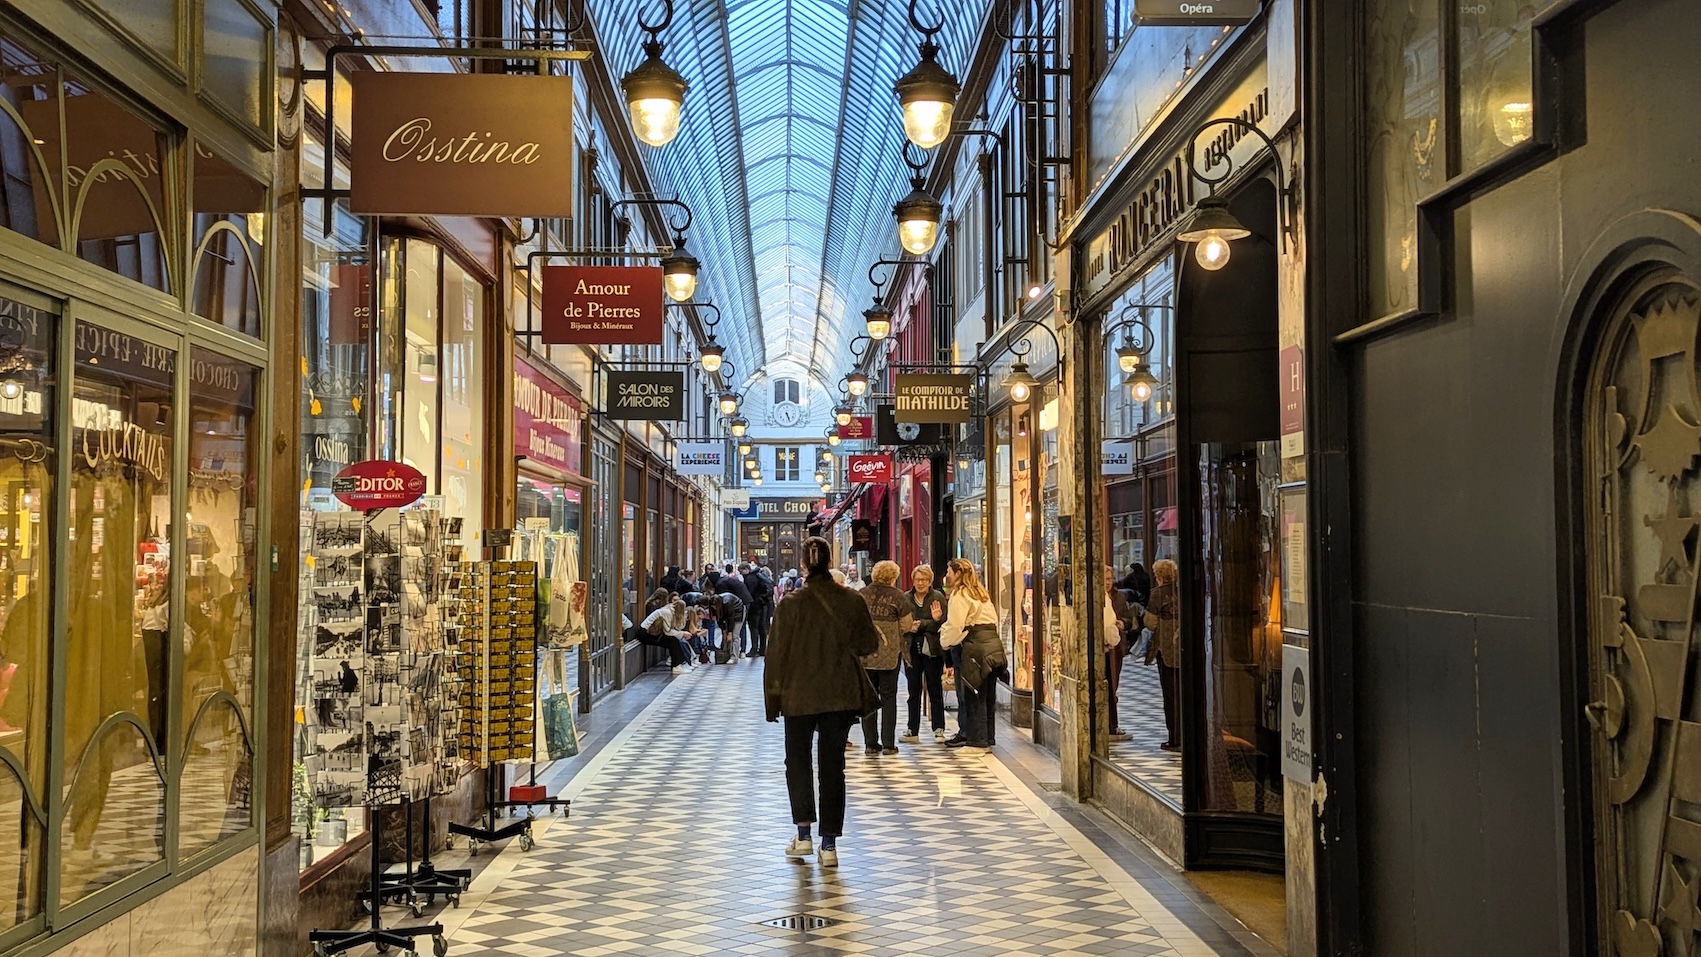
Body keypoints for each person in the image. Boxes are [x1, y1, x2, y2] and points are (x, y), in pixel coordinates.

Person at [764, 536, 880, 868]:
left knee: (797, 762)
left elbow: (776, 656)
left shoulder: (790, 604)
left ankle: (803, 835)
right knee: (833, 767)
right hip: (839, 694)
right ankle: (829, 845)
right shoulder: (851, 599)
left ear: (803, 564)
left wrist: (773, 700)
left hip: (798, 695)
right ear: (831, 561)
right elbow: (868, 644)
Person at [939, 558, 1002, 752]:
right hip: (992, 646)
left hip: (975, 647)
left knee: (973, 695)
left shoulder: (961, 594)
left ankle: (976, 742)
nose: (946, 576)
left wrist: (944, 640)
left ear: (958, 574)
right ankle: (987, 738)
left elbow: (956, 625)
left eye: (949, 572)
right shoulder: (980, 593)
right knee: (986, 695)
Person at [856, 561, 914, 756]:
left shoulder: (862, 594)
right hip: (890, 655)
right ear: (893, 577)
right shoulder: (898, 596)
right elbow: (906, 625)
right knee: (889, 698)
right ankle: (888, 743)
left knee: (868, 698)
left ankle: (871, 744)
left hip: (865, 654)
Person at [900, 564, 948, 743]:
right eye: (917, 580)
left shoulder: (937, 597)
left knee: (935, 688)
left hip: (933, 649)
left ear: (930, 581)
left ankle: (939, 728)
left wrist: (926, 623)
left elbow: (942, 622)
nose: (920, 583)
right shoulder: (906, 598)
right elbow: (904, 622)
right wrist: (910, 627)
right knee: (913, 691)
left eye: (924, 580)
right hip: (912, 648)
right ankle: (912, 729)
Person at [1145, 559, 1181, 751]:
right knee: (1184, 693)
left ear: (1159, 576)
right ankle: (1184, 735)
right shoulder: (1182, 590)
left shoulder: (1157, 594)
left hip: (1166, 651)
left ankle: (1174, 738)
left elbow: (1150, 623)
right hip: (1184, 651)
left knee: (1170, 695)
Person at [1103, 565, 1139, 741]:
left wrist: (1123, 623)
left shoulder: (1119, 597)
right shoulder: (1096, 597)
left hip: (1116, 647)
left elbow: (1130, 620)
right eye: (1105, 580)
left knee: (1113, 684)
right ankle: (1106, 723)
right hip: (1102, 647)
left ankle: (1113, 723)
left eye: (1110, 579)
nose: (1108, 583)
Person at [637, 599, 694, 675]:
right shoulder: (667, 612)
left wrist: (681, 633)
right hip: (646, 634)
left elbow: (673, 629)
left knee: (674, 641)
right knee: (673, 641)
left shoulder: (670, 611)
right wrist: (682, 633)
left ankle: (680, 664)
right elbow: (668, 631)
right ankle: (676, 666)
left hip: (653, 633)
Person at [694, 590, 747, 664]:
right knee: (725, 635)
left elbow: (730, 618)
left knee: (735, 635)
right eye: (712, 606)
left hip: (738, 611)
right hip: (727, 614)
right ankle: (726, 653)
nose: (714, 607)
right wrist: (724, 630)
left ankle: (734, 657)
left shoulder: (727, 603)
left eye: (715, 606)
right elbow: (719, 618)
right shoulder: (713, 604)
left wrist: (730, 632)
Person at [742, 561, 775, 657]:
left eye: (741, 571)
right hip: (763, 604)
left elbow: (749, 593)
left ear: (746, 569)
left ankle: (754, 648)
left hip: (755, 606)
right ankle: (762, 649)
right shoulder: (758, 576)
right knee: (762, 627)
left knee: (753, 628)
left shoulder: (749, 578)